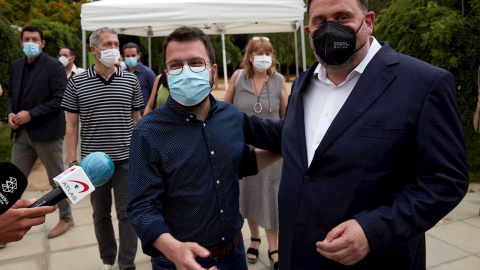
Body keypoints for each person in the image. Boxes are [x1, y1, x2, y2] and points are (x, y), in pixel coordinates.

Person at [242, 0, 470, 269]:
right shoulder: (304, 82)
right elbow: (294, 135)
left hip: (376, 260)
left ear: (369, 21)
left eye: (342, 16)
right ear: (309, 31)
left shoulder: (424, 83)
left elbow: (446, 181)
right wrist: (221, 114)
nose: (331, 28)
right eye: (320, 21)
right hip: (299, 255)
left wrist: (373, 232)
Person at [127, 26, 282, 270]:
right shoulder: (147, 132)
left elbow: (243, 162)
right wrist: (173, 249)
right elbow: (141, 207)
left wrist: (288, 148)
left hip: (234, 254)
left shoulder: (230, 116)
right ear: (166, 75)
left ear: (213, 71)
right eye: (176, 65)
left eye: (196, 62)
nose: (186, 71)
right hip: (177, 261)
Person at [61, 27, 143, 270]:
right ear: (93, 50)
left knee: (127, 214)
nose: (114, 49)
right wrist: (73, 162)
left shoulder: (130, 80)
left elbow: (138, 120)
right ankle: (108, 259)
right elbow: (72, 125)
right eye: (108, 44)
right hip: (92, 165)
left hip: (126, 161)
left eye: (116, 44)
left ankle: (126, 264)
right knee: (100, 215)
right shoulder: (77, 82)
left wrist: (144, 154)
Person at [224, 36, 288, 270]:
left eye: (268, 52)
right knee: (249, 196)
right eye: (259, 52)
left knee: (271, 198)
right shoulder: (238, 77)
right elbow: (225, 108)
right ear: (250, 56)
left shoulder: (279, 79)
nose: (264, 56)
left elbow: (286, 117)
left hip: (272, 154)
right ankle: (254, 238)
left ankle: (274, 247)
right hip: (245, 151)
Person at [6, 25, 74, 241]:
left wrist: (31, 114)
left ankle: (66, 217)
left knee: (58, 179)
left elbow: (60, 99)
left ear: (42, 43)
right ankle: (3, 224)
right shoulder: (16, 66)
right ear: (20, 42)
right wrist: (10, 114)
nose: (30, 43)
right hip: (21, 134)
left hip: (47, 134)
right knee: (10, 180)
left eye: (35, 39)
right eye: (26, 39)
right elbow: (10, 95)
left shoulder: (53, 66)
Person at [122, 42, 156, 115]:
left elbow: (155, 96)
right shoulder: (122, 74)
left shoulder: (148, 73)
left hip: (144, 116)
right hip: (127, 117)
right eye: (127, 56)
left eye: (133, 55)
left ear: (139, 55)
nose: (130, 58)